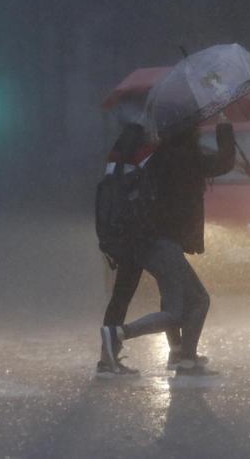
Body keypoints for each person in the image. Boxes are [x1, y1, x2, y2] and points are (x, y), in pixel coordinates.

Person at [100, 121, 235, 377]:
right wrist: (224, 125)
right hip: (162, 243)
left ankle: (182, 356)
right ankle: (121, 334)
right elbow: (224, 162)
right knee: (186, 305)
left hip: (145, 238)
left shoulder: (159, 156)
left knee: (169, 299)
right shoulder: (183, 157)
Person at [95, 123, 181, 377]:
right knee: (170, 287)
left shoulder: (119, 154)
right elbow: (160, 182)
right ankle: (177, 351)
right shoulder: (145, 152)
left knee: (121, 295)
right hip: (141, 235)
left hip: (118, 233)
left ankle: (107, 356)